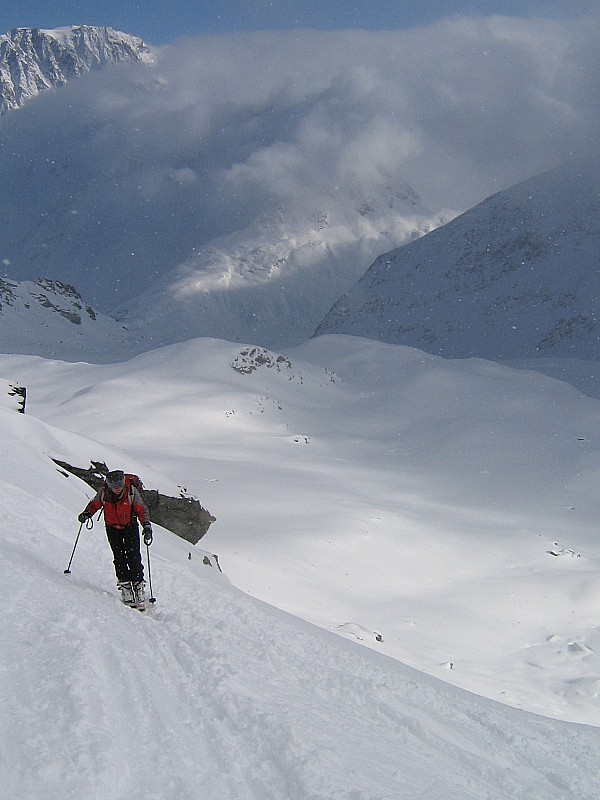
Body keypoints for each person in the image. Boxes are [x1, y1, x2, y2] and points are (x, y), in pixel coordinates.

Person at [78, 469, 153, 607]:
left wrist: (146, 525)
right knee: (119, 556)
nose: (117, 489)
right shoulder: (104, 493)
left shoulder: (131, 492)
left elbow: (141, 509)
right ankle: (125, 585)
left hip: (130, 527)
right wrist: (87, 513)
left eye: (119, 485)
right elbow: (95, 504)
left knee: (133, 555)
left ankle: (138, 584)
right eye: (114, 486)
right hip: (112, 528)